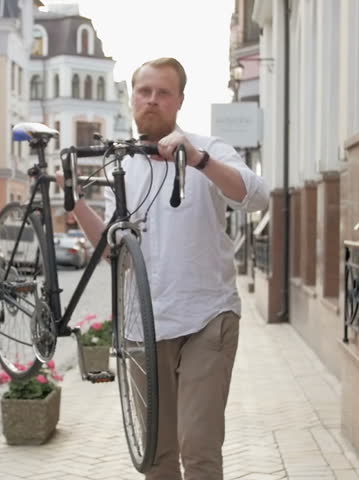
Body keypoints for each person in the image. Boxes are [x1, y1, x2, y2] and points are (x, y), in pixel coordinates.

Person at [59, 57, 269, 479]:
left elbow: (257, 197)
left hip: (206, 318)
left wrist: (201, 161)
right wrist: (74, 202)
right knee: (156, 456)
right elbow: (112, 251)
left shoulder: (208, 148)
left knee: (199, 447)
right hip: (143, 326)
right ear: (132, 98)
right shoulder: (121, 166)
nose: (152, 100)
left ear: (179, 101)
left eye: (163, 92)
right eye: (144, 91)